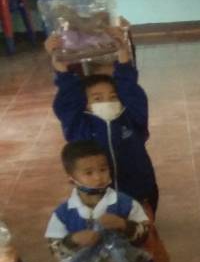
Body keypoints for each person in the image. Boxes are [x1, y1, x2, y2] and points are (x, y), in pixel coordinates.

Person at [50, 19, 158, 214]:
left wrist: (123, 52)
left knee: (140, 228)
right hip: (97, 199)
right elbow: (67, 103)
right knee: (105, 228)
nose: (106, 101)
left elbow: (130, 90)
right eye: (97, 98)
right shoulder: (79, 127)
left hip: (139, 190)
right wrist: (61, 69)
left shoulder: (131, 119)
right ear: (84, 104)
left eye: (113, 97)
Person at [45, 140, 154, 262]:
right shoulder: (63, 213)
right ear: (71, 177)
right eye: (89, 173)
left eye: (103, 169)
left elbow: (145, 235)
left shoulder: (125, 203)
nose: (98, 177)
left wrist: (124, 225)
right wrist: (73, 240)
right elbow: (55, 248)